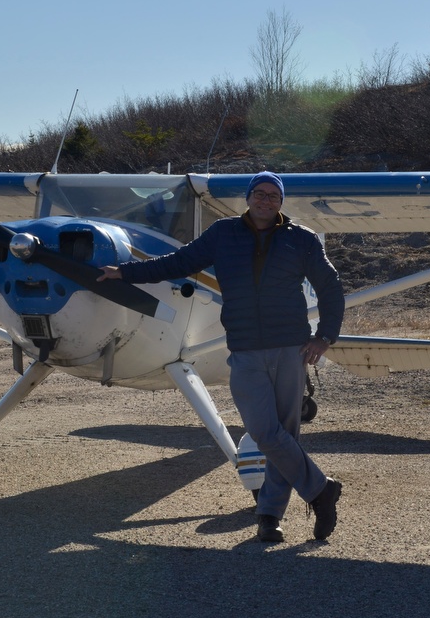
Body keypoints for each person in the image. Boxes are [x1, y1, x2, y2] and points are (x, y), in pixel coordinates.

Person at [98, 170, 345, 542]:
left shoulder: (302, 238)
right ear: (248, 198)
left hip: (289, 347)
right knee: (265, 432)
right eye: (259, 194)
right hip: (244, 348)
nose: (265, 200)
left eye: (273, 195)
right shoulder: (223, 234)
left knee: (284, 436)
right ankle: (321, 490)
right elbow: (175, 263)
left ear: (281, 202)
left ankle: (269, 516)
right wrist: (124, 273)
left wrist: (324, 337)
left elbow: (330, 286)